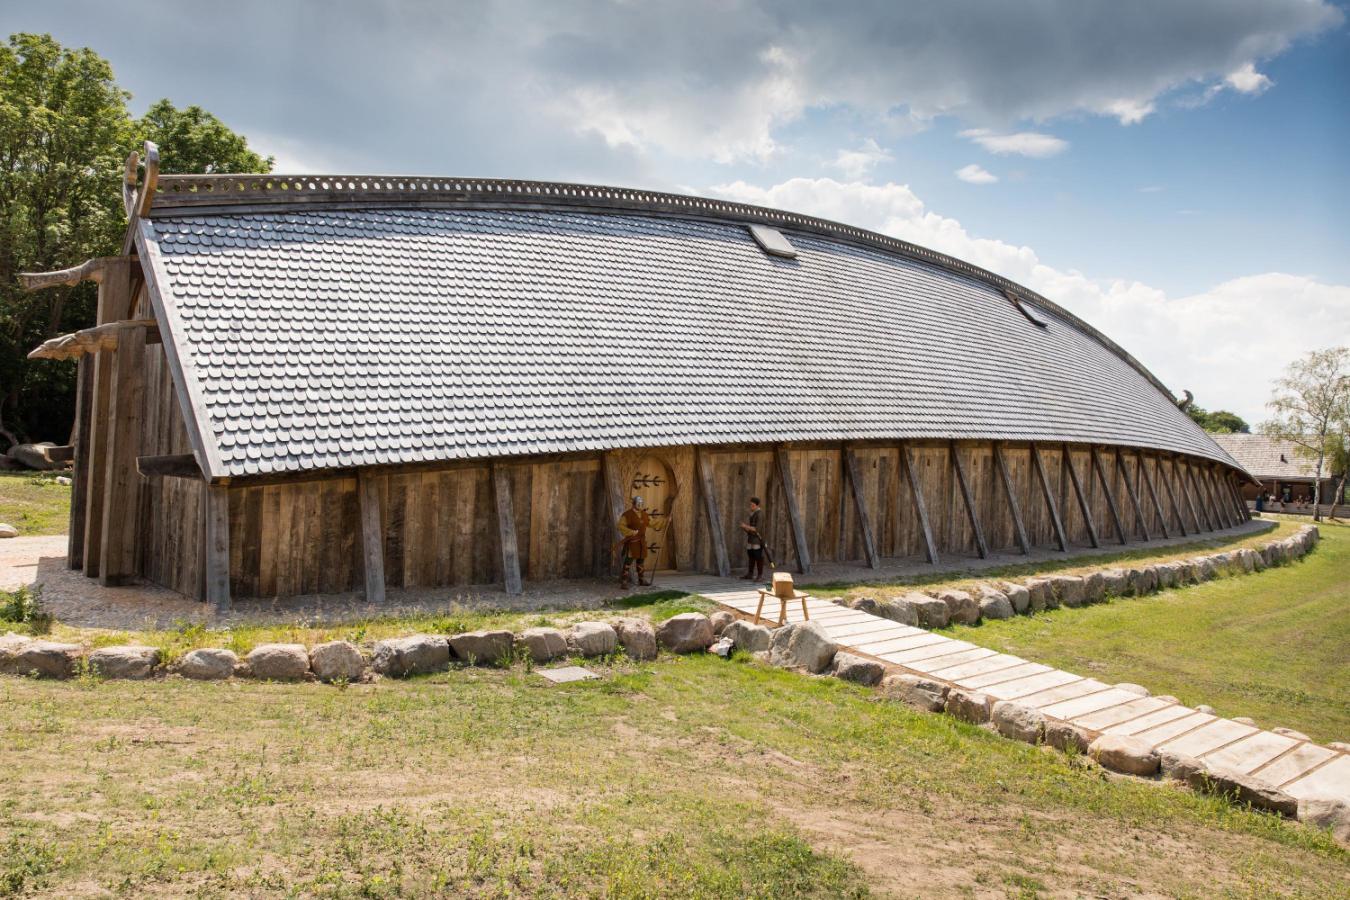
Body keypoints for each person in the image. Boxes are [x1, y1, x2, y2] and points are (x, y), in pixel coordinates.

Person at [616, 495, 655, 589]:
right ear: (634, 504)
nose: (640, 505)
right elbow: (620, 526)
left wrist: (665, 521)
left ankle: (641, 580)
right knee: (628, 561)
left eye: (641, 504)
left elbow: (652, 523)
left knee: (641, 561)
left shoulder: (644, 514)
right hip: (632, 542)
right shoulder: (627, 514)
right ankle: (624, 581)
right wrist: (631, 532)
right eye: (638, 503)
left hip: (641, 542)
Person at [738, 496, 765, 582]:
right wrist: (744, 528)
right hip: (751, 538)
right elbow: (751, 529)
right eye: (751, 505)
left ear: (757, 505)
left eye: (753, 505)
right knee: (751, 556)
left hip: (757, 539)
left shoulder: (760, 514)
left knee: (758, 556)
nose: (751, 506)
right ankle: (750, 573)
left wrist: (746, 526)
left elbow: (757, 529)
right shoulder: (753, 514)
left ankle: (760, 575)